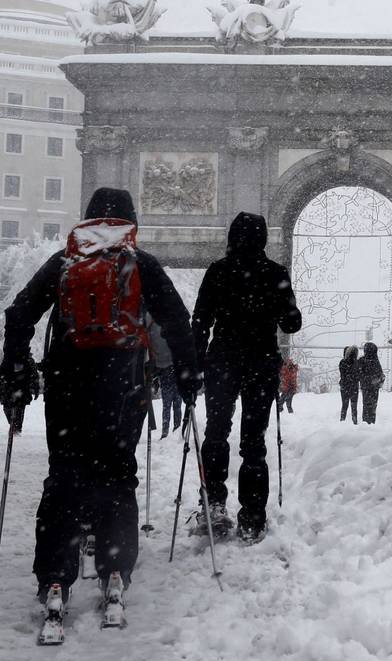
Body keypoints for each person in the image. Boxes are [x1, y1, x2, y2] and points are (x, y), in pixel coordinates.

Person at [0, 188, 199, 622]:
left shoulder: (65, 262)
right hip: (122, 387)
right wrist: (187, 374)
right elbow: (177, 321)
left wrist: (16, 371)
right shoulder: (140, 264)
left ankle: (55, 577)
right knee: (117, 474)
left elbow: (18, 316)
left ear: (88, 220)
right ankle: (114, 570)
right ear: (129, 221)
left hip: (68, 386)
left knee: (65, 476)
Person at [192, 212, 303, 544]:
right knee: (253, 442)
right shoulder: (275, 273)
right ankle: (252, 516)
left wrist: (195, 363)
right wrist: (289, 309)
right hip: (261, 361)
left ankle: (213, 505)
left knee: (216, 433)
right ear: (264, 239)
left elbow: (200, 320)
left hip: (223, 360)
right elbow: (291, 324)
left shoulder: (218, 271)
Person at [148, 317, 182, 438]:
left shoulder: (155, 323)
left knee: (168, 404)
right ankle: (174, 429)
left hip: (167, 370)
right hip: (173, 370)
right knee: (174, 404)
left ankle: (168, 431)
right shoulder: (170, 323)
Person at [359, 342, 385, 424]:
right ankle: (371, 423)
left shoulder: (362, 360)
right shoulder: (375, 361)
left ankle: (366, 423)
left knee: (367, 406)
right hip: (373, 388)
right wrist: (377, 380)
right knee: (372, 407)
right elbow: (380, 374)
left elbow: (358, 373)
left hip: (367, 387)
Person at [339, 346, 360, 424]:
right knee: (354, 406)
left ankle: (342, 420)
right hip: (354, 387)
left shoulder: (342, 362)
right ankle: (355, 422)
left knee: (344, 405)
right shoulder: (357, 363)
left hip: (344, 387)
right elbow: (358, 376)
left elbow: (343, 374)